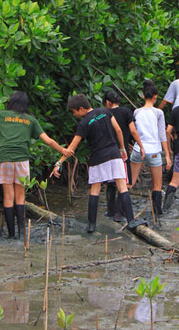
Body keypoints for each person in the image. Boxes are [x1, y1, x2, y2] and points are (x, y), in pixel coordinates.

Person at [0, 91, 70, 239]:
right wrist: (63, 150)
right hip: (22, 160)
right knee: (20, 197)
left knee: (8, 197)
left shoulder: (2, 116)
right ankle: (22, 234)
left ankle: (11, 235)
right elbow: (47, 140)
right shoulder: (30, 120)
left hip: (4, 159)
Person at [51, 94, 142, 233]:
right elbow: (118, 130)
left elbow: (72, 148)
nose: (74, 115)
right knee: (122, 187)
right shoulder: (105, 111)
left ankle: (91, 226)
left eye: (74, 112)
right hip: (114, 154)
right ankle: (131, 221)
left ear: (81, 108)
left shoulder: (84, 123)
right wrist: (122, 148)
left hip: (97, 158)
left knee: (95, 191)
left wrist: (59, 162)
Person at [130, 80, 172, 219]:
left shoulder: (136, 112)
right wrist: (167, 155)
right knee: (157, 186)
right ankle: (157, 214)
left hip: (138, 150)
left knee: (130, 183)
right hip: (154, 151)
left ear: (143, 96)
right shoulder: (158, 113)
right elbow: (162, 134)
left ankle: (121, 210)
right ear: (155, 97)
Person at [102, 90, 145, 221]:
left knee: (110, 182)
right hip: (122, 152)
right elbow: (133, 130)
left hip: (107, 151)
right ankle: (119, 213)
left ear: (108, 102)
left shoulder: (104, 114)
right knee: (123, 182)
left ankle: (110, 211)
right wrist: (141, 145)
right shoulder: (126, 112)